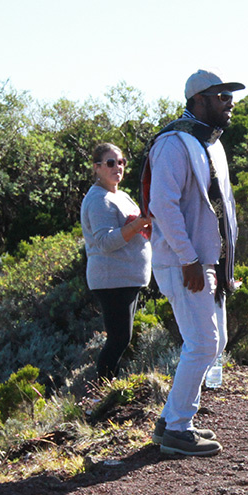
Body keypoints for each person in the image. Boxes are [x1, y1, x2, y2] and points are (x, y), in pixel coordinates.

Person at [143, 69, 245, 457]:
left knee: (209, 342)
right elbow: (163, 207)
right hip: (182, 263)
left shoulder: (209, 143)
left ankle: (171, 420)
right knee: (203, 343)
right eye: (221, 96)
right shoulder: (173, 144)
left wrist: (219, 265)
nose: (230, 103)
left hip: (203, 263)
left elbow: (216, 208)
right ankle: (178, 427)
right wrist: (189, 259)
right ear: (198, 100)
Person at [80, 143, 151, 381]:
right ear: (97, 168)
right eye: (111, 163)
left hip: (127, 279)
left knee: (122, 338)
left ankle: (107, 389)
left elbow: (132, 226)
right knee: (119, 339)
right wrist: (137, 224)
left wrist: (142, 225)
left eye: (121, 162)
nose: (117, 167)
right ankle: (102, 391)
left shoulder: (119, 195)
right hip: (112, 280)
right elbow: (104, 241)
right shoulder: (99, 199)